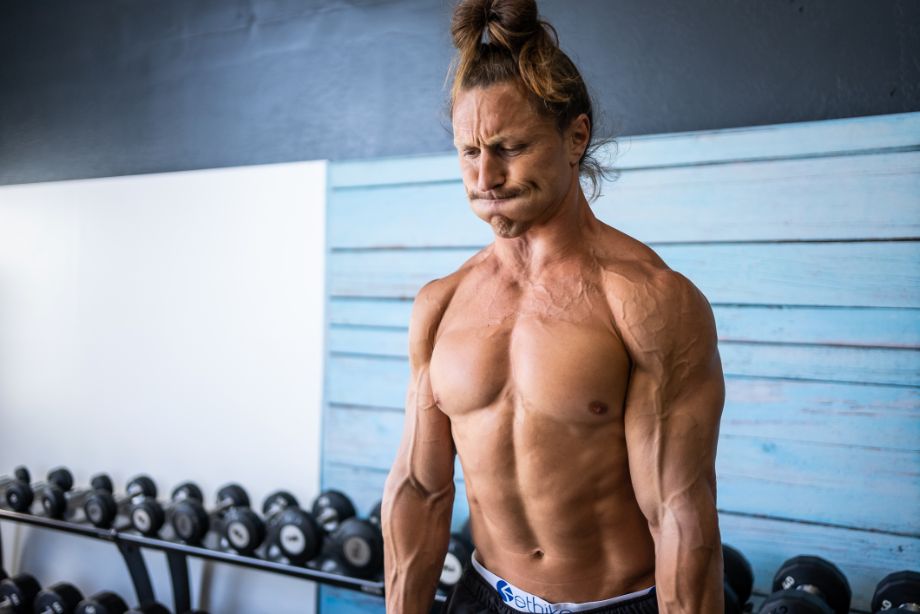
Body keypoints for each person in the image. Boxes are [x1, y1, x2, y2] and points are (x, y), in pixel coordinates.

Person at [381, 1, 726, 612]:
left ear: (575, 138)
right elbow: (419, 488)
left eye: (510, 147)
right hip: (483, 595)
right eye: (469, 152)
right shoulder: (441, 304)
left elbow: (679, 514)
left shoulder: (646, 300)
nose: (484, 175)